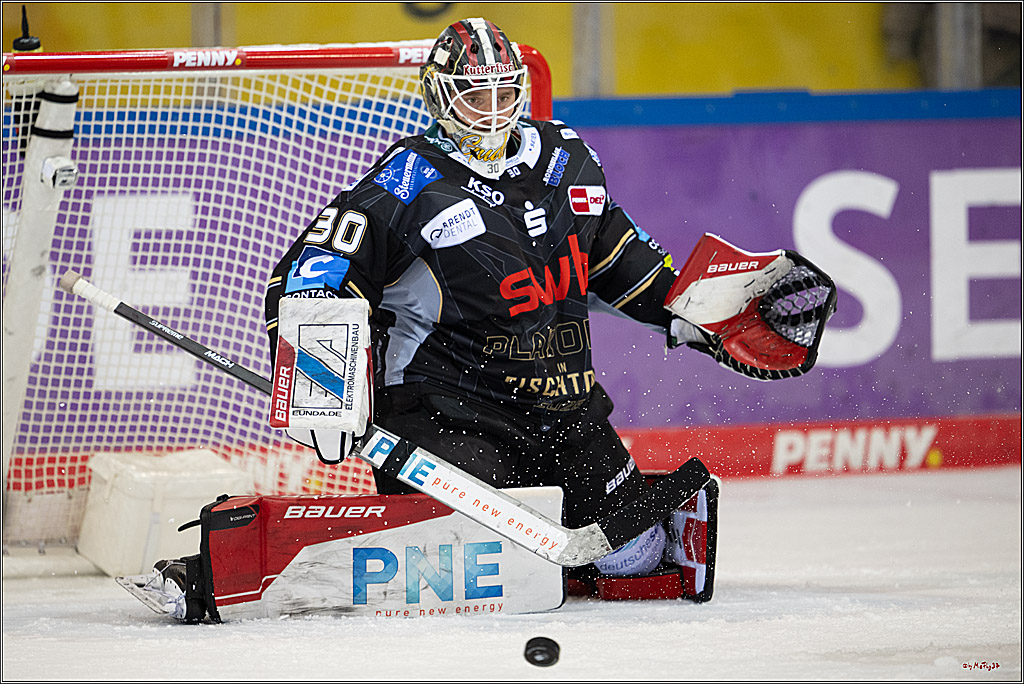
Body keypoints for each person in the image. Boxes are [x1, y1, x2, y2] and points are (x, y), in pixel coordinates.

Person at [126, 17, 832, 620]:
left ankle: (537, 547)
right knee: (483, 568)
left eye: (503, 90)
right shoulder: (408, 177)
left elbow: (623, 264)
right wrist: (324, 387)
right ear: (440, 96)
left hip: (566, 410)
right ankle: (230, 564)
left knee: (638, 558)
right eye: (473, 93)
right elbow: (308, 275)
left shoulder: (568, 158)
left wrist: (699, 322)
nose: (491, 108)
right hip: (445, 417)